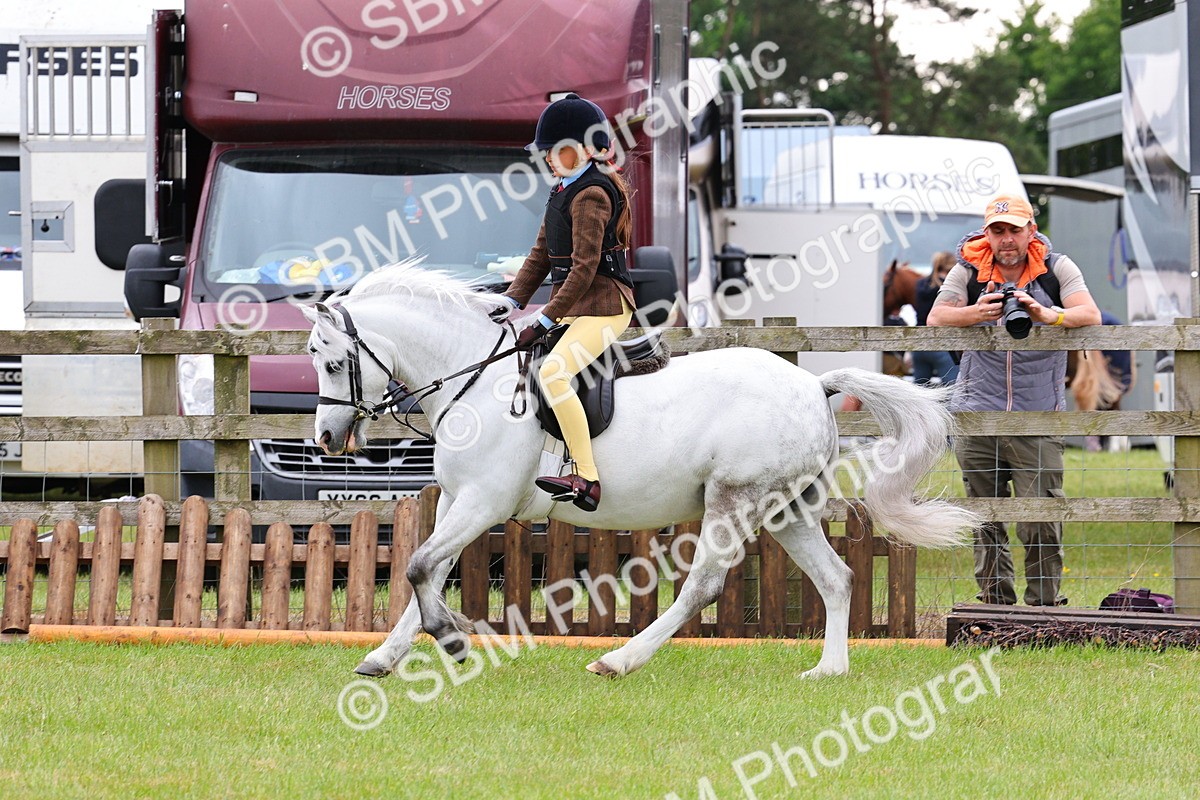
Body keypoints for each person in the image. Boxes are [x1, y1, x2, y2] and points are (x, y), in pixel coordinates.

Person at [928, 195, 1101, 606]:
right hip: (976, 415)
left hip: (1038, 416)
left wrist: (1045, 314)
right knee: (985, 518)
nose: (1006, 239)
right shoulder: (968, 270)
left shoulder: (1058, 267)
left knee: (1040, 518)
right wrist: (977, 312)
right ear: (986, 233)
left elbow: (1089, 314)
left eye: (1014, 230)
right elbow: (936, 317)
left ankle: (1044, 606)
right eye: (998, 230)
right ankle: (995, 607)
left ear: (1031, 230)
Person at [491, 94, 636, 512]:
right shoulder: (562, 190)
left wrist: (545, 317)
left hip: (606, 306)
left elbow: (585, 269)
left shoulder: (592, 195)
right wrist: (512, 301)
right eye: (548, 153)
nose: (550, 160)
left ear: (586, 150)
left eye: (558, 151)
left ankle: (587, 478)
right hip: (577, 304)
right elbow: (540, 255)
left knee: (554, 374)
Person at [910, 251, 959, 386]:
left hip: (918, 343)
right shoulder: (949, 288)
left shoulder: (920, 285)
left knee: (919, 391)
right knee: (953, 391)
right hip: (941, 345)